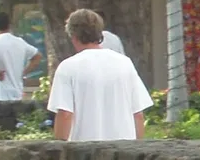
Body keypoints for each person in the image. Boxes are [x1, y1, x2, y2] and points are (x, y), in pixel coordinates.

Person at [47, 8, 153, 141]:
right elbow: (138, 114)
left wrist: (59, 148)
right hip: (123, 148)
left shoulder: (67, 67)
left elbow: (65, 114)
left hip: (84, 149)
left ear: (73, 36)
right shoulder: (125, 63)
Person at [0, 11, 41, 102]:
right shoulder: (20, 42)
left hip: (1, 94)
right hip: (17, 93)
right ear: (9, 26)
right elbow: (37, 56)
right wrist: (23, 72)